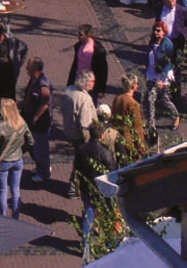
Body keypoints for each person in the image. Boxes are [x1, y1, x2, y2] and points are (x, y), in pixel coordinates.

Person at [74, 126, 118, 262]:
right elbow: (113, 171)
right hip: (103, 189)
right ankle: (110, 244)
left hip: (87, 187)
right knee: (108, 216)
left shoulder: (81, 149)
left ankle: (86, 246)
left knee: (88, 216)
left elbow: (77, 167)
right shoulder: (105, 152)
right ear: (102, 135)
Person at [59, 70, 97, 198]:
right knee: (81, 162)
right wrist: (89, 142)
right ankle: (73, 188)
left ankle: (74, 187)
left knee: (78, 159)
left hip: (70, 131)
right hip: (80, 136)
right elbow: (84, 124)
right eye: (93, 81)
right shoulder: (84, 99)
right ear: (87, 82)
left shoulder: (69, 91)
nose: (94, 83)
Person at [0, 98, 32, 219]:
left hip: (4, 161)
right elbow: (31, 141)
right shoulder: (21, 122)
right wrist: (21, 151)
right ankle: (15, 217)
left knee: (3, 191)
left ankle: (3, 217)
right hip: (18, 160)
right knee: (16, 190)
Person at [19, 58, 52, 182]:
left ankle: (44, 173)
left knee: (39, 147)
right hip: (30, 120)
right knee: (32, 145)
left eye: (28, 67)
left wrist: (35, 118)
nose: (26, 69)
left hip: (39, 123)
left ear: (35, 69)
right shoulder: (34, 80)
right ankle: (41, 167)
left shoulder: (43, 85)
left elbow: (45, 104)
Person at [144, 21, 179, 133]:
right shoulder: (152, 41)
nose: (156, 32)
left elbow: (166, 63)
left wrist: (162, 80)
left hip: (163, 75)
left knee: (164, 100)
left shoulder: (168, 45)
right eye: (154, 30)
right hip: (152, 73)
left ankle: (175, 116)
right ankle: (151, 124)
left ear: (164, 32)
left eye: (158, 30)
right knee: (150, 99)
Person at [0, 22, 28, 111]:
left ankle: (11, 116)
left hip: (9, 74)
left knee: (10, 98)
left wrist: (19, 63)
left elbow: (24, 48)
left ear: (1, 33)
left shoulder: (12, 41)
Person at [109, 72, 146, 162]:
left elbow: (113, 118)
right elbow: (137, 127)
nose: (138, 85)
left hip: (117, 138)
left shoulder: (117, 99)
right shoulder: (133, 104)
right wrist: (141, 147)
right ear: (133, 86)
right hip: (129, 142)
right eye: (137, 83)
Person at [66, 24, 109, 101]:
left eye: (80, 34)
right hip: (78, 80)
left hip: (90, 83)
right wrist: (70, 82)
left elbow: (103, 70)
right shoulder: (78, 46)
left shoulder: (98, 50)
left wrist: (101, 88)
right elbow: (75, 64)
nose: (78, 36)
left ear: (88, 35)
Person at [157, 0, 187, 75]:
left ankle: (176, 80)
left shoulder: (182, 11)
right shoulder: (159, 7)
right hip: (163, 40)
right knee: (162, 62)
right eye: (169, 2)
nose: (172, 4)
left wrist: (184, 34)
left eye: (173, 1)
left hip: (176, 41)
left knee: (176, 64)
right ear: (164, 1)